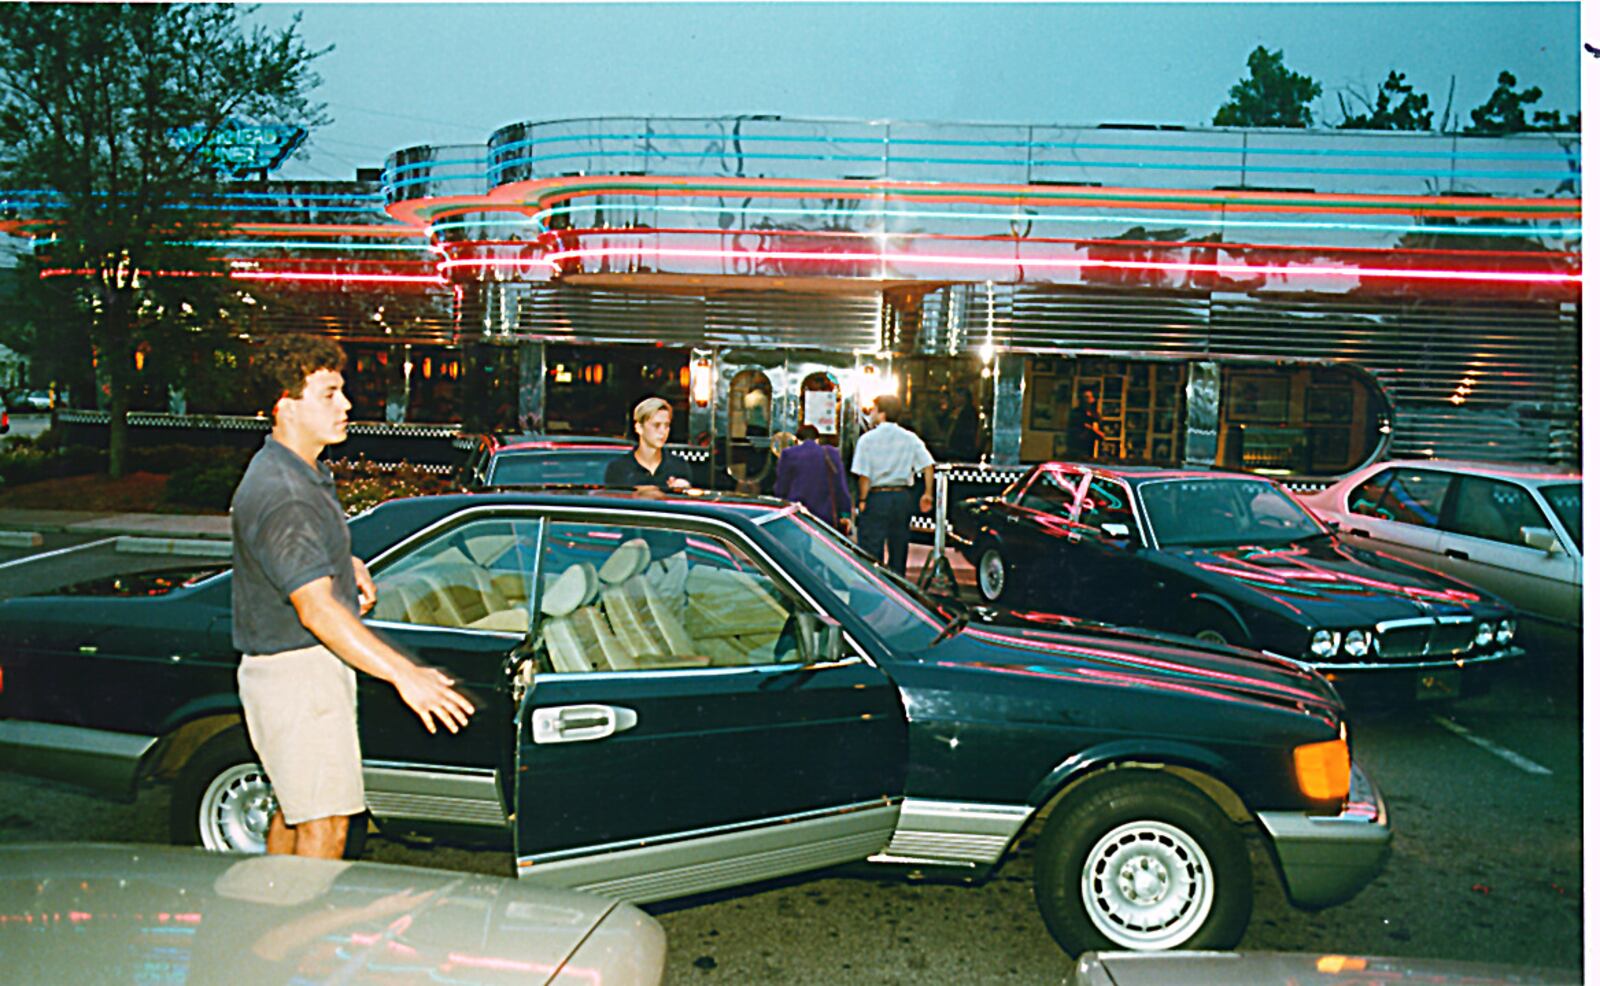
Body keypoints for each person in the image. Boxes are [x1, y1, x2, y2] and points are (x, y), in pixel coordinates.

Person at [231, 334, 475, 860]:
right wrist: (405, 675)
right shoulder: (286, 494)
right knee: (327, 827)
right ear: (285, 406)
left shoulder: (300, 469)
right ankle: (296, 941)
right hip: (298, 675)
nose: (346, 405)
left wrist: (343, 563)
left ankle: (267, 918)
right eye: (329, 394)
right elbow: (315, 608)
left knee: (298, 811)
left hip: (299, 672)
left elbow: (298, 559)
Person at [850, 393, 935, 577]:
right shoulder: (910, 438)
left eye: (873, 410)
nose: (871, 413)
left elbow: (864, 476)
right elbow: (928, 465)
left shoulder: (867, 440)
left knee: (871, 547)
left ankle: (874, 585)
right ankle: (897, 587)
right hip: (902, 497)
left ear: (882, 413)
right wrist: (928, 493)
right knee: (899, 546)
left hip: (877, 496)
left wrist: (862, 500)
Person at [604, 396, 693, 492]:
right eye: (656, 425)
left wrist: (685, 491)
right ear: (639, 428)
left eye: (666, 425)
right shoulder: (619, 469)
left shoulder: (679, 467)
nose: (663, 432)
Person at [774, 424, 852, 532]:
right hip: (825, 517)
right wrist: (845, 513)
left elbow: (781, 487)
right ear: (817, 439)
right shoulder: (831, 454)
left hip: (797, 515)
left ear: (797, 440)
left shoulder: (788, 454)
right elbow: (840, 486)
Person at [1066, 386, 1106, 460]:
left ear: (1093, 399)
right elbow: (1071, 430)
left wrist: (1092, 429)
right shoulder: (1076, 413)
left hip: (1090, 450)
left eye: (1088, 397)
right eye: (1084, 398)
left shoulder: (1095, 415)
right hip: (1076, 449)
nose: (1085, 400)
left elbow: (1102, 435)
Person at [946, 387, 981, 462]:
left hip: (963, 451)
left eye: (957, 396)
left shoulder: (969, 412)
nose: (954, 398)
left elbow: (967, 431)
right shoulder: (953, 411)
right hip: (954, 449)